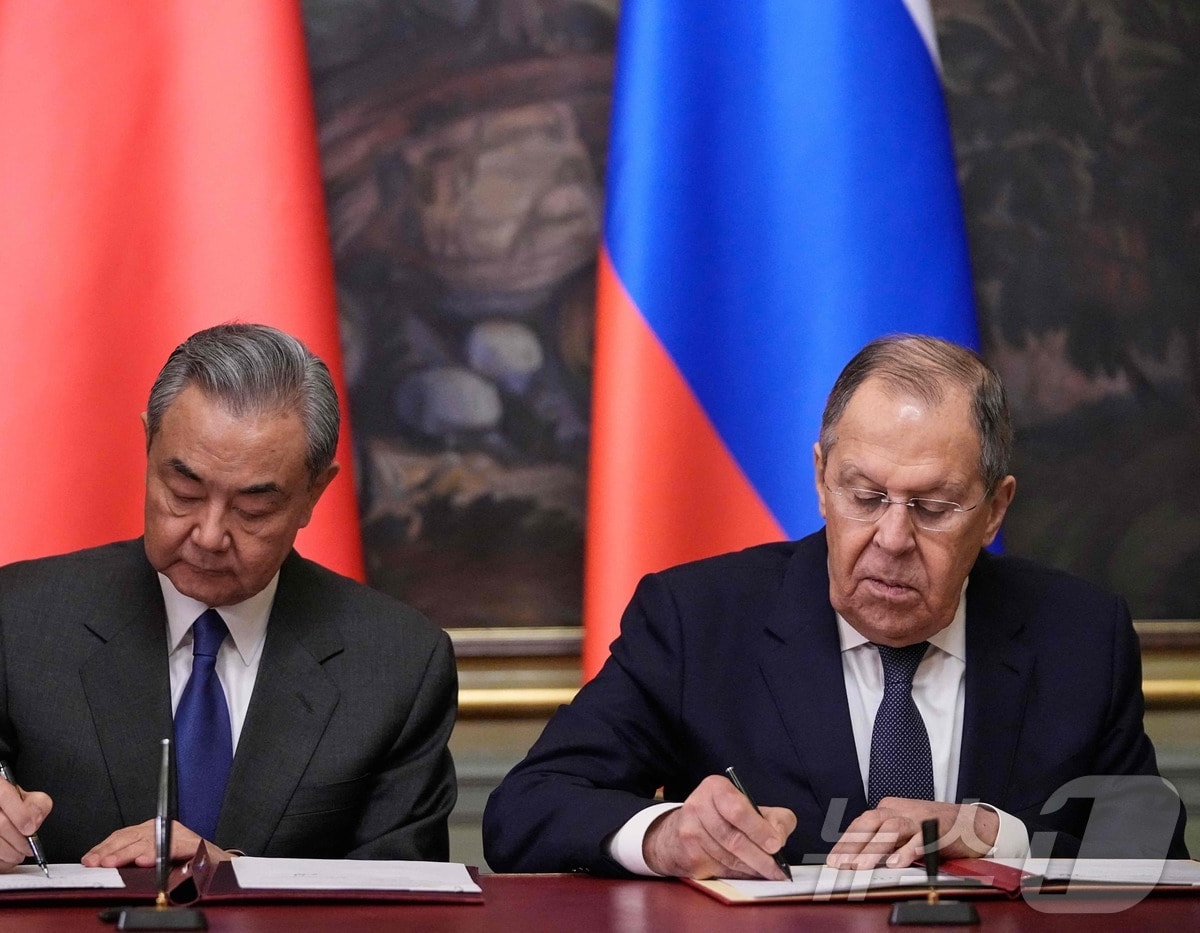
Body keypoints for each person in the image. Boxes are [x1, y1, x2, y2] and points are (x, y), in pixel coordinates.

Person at [483, 334, 1187, 879]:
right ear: (821, 479)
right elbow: (525, 808)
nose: (892, 539)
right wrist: (664, 834)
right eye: (866, 495)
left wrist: (998, 833)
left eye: (933, 507)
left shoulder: (1080, 635)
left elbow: (1154, 845)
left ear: (995, 508)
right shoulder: (698, 618)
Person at [0, 323, 458, 875]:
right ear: (148, 448)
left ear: (315, 493)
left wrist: (234, 874)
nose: (209, 535)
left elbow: (406, 886)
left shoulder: (397, 660)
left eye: (255, 506)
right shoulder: (22, 619)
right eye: (183, 490)